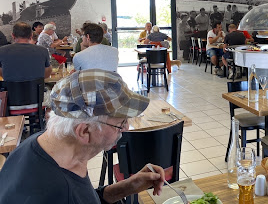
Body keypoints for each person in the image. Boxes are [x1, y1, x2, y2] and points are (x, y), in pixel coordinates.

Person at [0, 69, 166, 203]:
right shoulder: (55, 192)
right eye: (121, 123)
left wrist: (127, 187)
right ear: (84, 131)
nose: (126, 128)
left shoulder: (41, 145)